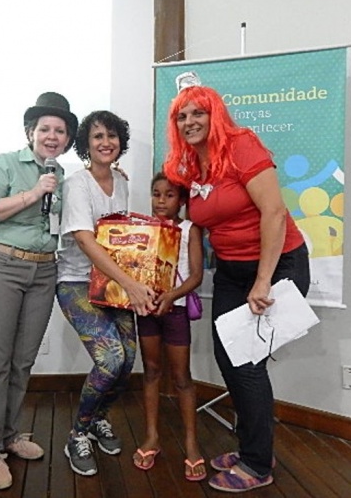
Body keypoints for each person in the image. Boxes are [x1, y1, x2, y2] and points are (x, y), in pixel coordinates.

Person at [163, 78, 310, 493]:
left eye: (198, 112)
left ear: (216, 115)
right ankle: (252, 447)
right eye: (182, 116)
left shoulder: (241, 144)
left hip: (277, 265)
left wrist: (263, 281)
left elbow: (274, 213)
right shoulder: (190, 165)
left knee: (246, 365)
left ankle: (258, 464)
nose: (190, 121)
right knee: (229, 359)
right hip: (231, 271)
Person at [0, 92, 78, 490]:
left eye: (60, 131)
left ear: (67, 140)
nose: (52, 136)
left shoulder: (63, 175)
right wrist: (33, 194)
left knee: (22, 361)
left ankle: (10, 434)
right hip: (0, 266)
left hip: (44, 271)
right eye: (45, 129)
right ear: (31, 132)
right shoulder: (5, 163)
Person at [56, 110, 157, 477]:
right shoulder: (77, 184)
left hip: (112, 283)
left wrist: (136, 279)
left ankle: (98, 418)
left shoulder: (121, 182)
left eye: (111, 136)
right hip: (76, 282)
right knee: (110, 359)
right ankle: (77, 434)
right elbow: (85, 240)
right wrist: (130, 284)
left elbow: (121, 239)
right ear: (86, 143)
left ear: (120, 142)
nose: (105, 142)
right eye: (97, 136)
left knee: (128, 361)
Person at [132, 172, 206, 482]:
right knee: (151, 371)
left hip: (176, 310)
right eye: (156, 194)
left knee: (181, 377)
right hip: (147, 309)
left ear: (182, 200)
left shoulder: (190, 230)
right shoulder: (143, 229)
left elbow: (196, 275)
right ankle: (151, 437)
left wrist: (172, 296)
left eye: (169, 195)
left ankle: (191, 443)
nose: (161, 200)